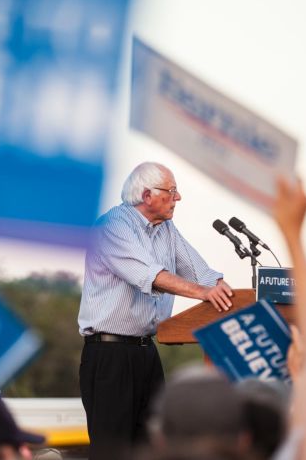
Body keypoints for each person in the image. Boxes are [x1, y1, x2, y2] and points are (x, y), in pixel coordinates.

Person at [77, 161, 234, 458]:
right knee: (113, 451)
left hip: (146, 352)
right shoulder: (111, 227)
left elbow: (200, 272)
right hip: (110, 355)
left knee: (153, 447)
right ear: (147, 195)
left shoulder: (166, 229)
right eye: (172, 191)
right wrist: (204, 293)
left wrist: (230, 293)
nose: (179, 198)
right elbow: (151, 276)